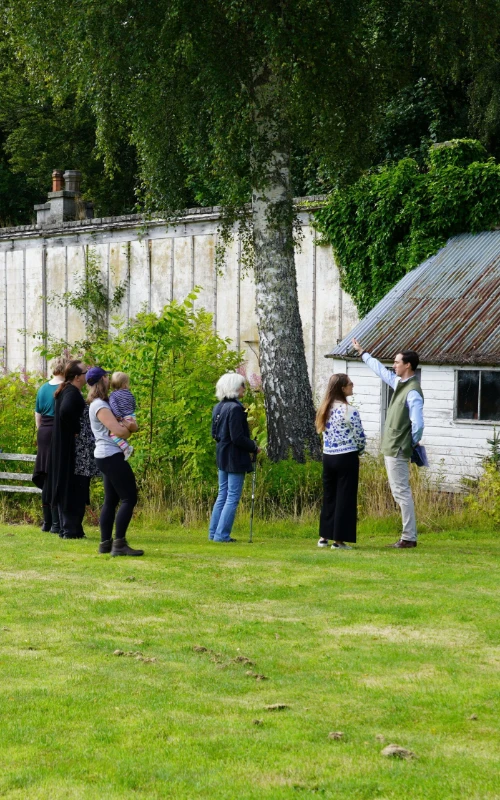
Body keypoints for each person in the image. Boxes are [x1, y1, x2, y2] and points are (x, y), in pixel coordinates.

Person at [352, 338, 424, 548]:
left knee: (401, 491)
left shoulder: (412, 391)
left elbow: (418, 423)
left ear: (407, 365)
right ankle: (408, 535)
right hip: (394, 446)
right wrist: (362, 352)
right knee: (399, 491)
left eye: (397, 362)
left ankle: (409, 537)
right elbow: (380, 371)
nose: (394, 366)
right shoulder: (400, 384)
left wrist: (412, 442)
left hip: (399, 447)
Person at [87, 367, 143, 556]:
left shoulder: (104, 402)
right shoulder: (100, 406)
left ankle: (105, 543)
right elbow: (120, 431)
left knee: (111, 500)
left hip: (107, 455)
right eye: (106, 376)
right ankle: (119, 544)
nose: (109, 379)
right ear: (102, 380)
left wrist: (127, 426)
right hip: (109, 454)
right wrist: (129, 429)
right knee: (129, 497)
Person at [315, 374, 366, 550]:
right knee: (345, 497)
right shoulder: (349, 411)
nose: (353, 385)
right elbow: (359, 436)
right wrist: (360, 449)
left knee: (329, 495)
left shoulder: (324, 409)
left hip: (328, 456)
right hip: (346, 456)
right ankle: (339, 541)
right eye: (350, 384)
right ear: (343, 388)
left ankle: (324, 536)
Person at [209, 372, 260, 543]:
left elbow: (214, 434)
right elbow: (237, 437)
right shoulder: (236, 409)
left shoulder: (218, 407)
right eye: (242, 385)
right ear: (234, 387)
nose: (244, 388)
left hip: (222, 454)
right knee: (231, 496)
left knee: (222, 494)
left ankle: (213, 533)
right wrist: (253, 446)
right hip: (235, 457)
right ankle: (222, 535)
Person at [49, 360, 88, 539]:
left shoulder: (66, 390)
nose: (87, 375)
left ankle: (68, 528)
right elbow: (65, 412)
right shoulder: (71, 393)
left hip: (61, 445)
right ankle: (70, 529)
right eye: (85, 372)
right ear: (78, 377)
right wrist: (76, 430)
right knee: (71, 485)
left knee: (66, 484)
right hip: (68, 448)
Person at [32, 355, 67, 533]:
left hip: (44, 432)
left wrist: (41, 434)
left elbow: (37, 416)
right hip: (58, 432)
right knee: (55, 476)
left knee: (45, 476)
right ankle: (55, 523)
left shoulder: (42, 388)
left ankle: (47, 522)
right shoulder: (66, 389)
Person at [108, 371, 136, 460]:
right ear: (124, 384)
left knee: (113, 435)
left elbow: (113, 405)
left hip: (122, 418)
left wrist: (118, 415)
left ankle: (125, 448)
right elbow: (133, 403)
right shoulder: (129, 393)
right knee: (126, 433)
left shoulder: (113, 395)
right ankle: (124, 449)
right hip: (131, 416)